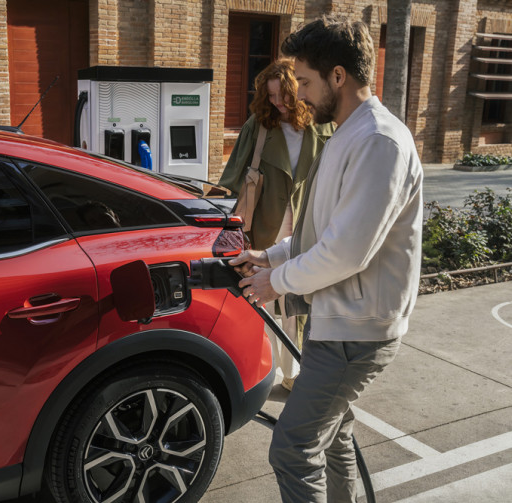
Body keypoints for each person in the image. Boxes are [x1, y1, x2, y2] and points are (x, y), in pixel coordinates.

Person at [230, 15, 423, 502]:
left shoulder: (378, 141)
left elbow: (347, 251)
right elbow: (320, 233)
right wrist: (268, 255)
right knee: (333, 436)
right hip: (336, 323)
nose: (301, 95)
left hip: (356, 332)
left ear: (339, 77)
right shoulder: (346, 135)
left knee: (292, 448)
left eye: (309, 82)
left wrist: (277, 281)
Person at [219, 58, 333, 391]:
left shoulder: (323, 127)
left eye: (283, 95)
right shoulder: (259, 125)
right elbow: (233, 180)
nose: (277, 103)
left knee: (295, 306)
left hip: (306, 227)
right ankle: (261, 371)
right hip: (263, 227)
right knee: (261, 305)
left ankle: (293, 372)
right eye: (270, 96)